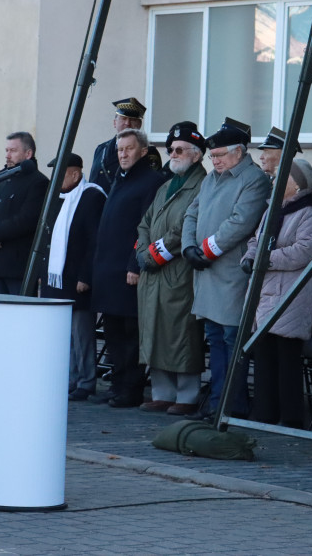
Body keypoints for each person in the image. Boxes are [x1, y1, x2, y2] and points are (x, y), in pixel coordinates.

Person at [182, 117, 270, 418]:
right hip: (208, 275)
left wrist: (205, 251)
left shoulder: (254, 180)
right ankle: (218, 401)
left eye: (219, 155)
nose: (214, 160)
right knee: (216, 341)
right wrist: (188, 248)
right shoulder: (210, 179)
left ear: (239, 152)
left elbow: (240, 223)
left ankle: (231, 405)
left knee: (233, 343)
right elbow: (190, 214)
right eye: (213, 156)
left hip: (230, 274)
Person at [241, 158, 312, 427]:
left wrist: (266, 259)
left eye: (280, 177)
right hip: (265, 294)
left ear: (296, 183)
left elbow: (305, 251)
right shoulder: (272, 211)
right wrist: (250, 257)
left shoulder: (310, 214)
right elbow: (256, 239)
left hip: (292, 295)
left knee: (287, 359)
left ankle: (290, 418)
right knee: (264, 357)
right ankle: (265, 413)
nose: (274, 181)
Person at [135, 122, 208, 415]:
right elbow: (145, 223)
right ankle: (162, 392)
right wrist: (142, 251)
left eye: (179, 150)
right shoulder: (166, 186)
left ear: (196, 154)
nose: (173, 154)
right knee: (155, 333)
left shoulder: (201, 185)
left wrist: (153, 256)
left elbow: (183, 229)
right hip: (153, 276)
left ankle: (186, 396)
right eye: (171, 150)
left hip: (177, 272)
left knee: (181, 335)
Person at [90, 129, 166, 407]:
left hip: (129, 272)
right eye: (119, 149)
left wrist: (135, 264)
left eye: (129, 149)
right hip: (108, 271)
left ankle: (130, 389)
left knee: (130, 335)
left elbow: (145, 228)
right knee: (112, 333)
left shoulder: (152, 182)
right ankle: (116, 386)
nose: (122, 154)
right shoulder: (120, 179)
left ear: (143, 151)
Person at [41, 152, 106, 402]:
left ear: (75, 174)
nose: (55, 178)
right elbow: (46, 239)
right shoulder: (56, 197)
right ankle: (69, 378)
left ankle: (87, 381)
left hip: (77, 280)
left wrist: (85, 276)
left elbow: (94, 241)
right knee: (62, 335)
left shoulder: (91, 196)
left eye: (60, 173)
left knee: (81, 335)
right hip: (55, 279)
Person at [0, 131, 49, 295]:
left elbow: (27, 219)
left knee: (20, 316)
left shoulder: (38, 182)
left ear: (28, 154)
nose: (7, 155)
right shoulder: (2, 178)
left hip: (18, 265)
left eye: (13, 151)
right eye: (6, 150)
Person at [89, 98, 162, 191]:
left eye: (132, 120)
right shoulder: (101, 149)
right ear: (115, 123)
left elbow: (149, 186)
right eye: (123, 119)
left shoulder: (147, 152)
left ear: (139, 125)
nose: (127, 123)